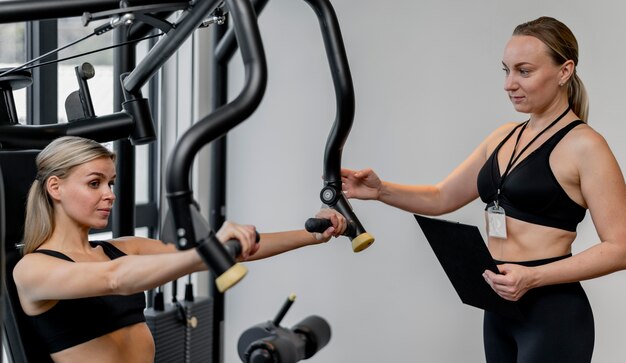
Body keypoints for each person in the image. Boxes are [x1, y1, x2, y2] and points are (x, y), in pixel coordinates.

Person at [341, 16, 626, 363]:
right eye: (505, 70)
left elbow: (620, 247)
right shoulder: (503, 136)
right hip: (498, 309)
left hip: (553, 314)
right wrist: (380, 190)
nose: (509, 83)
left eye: (524, 71)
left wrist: (534, 277)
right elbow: (441, 196)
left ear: (564, 71)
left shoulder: (586, 146)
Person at [12, 135, 346, 363]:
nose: (110, 194)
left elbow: (240, 251)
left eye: (111, 183)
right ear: (55, 187)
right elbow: (115, 279)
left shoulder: (123, 248)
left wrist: (313, 233)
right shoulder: (33, 269)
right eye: (94, 183)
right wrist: (208, 250)